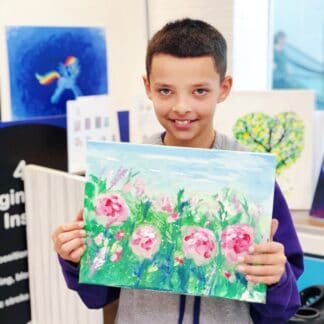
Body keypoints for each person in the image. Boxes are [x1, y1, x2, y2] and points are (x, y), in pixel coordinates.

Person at [52, 18, 303, 323]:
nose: (182, 107)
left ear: (223, 89)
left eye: (199, 91)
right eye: (166, 91)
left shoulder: (252, 175)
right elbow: (98, 298)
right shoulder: (124, 173)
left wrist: (277, 277)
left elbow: (281, 309)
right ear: (148, 87)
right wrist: (77, 259)